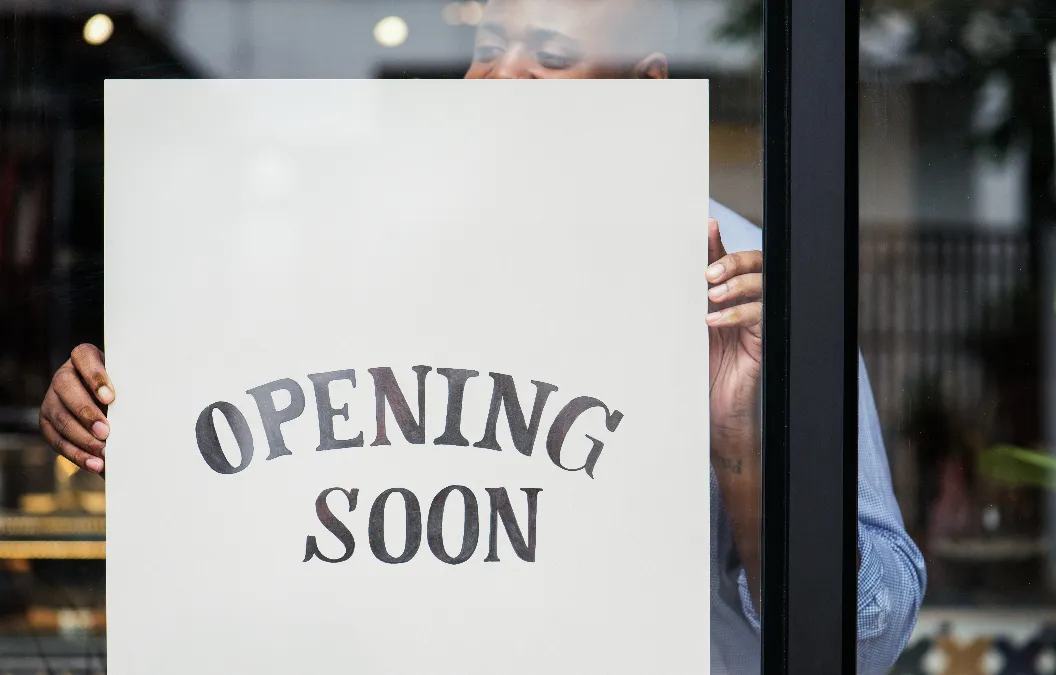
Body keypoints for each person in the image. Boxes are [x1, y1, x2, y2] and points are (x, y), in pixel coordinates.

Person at [38, 0, 925, 672]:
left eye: (552, 52)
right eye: (484, 46)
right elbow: (278, 476)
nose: (502, 77)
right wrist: (127, 407)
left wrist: (738, 441)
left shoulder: (747, 288)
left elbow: (868, 631)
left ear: (644, 88)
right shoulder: (369, 259)